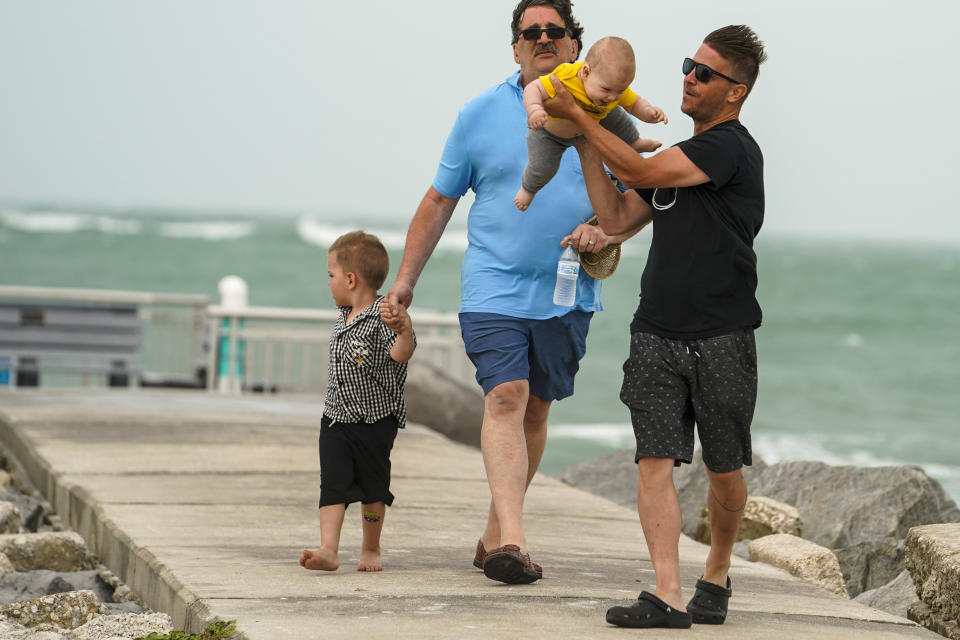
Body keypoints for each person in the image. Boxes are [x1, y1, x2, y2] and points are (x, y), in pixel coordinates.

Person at [385, 0, 636, 585]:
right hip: (492, 288)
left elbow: (632, 203)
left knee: (537, 408)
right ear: (515, 46)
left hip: (566, 293)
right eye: (531, 33)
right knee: (506, 395)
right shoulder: (480, 113)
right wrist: (404, 282)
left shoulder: (606, 115)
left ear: (577, 45)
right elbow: (439, 201)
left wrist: (606, 231)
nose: (543, 39)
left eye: (555, 31)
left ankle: (495, 535)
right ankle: (516, 544)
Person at [544, 25, 767, 628]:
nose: (689, 78)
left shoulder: (729, 149)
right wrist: (587, 133)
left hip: (722, 334)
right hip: (656, 332)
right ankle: (669, 592)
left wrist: (584, 115)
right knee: (654, 461)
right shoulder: (675, 163)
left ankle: (716, 572)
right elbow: (619, 213)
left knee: (724, 470)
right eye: (688, 65)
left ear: (735, 92)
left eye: (705, 73)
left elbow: (640, 174)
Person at [300, 231, 416, 573]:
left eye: (331, 276)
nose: (329, 283)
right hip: (335, 419)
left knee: (373, 489)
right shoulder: (345, 313)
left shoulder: (384, 316)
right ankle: (329, 549)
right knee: (332, 484)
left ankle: (371, 548)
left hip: (375, 422)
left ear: (351, 279)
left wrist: (405, 331)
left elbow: (400, 353)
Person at [514, 35, 667, 211]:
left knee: (616, 114)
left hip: (586, 125)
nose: (612, 96)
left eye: (620, 91)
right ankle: (529, 188)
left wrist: (649, 112)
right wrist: (535, 109)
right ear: (586, 72)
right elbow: (534, 88)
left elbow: (634, 103)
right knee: (543, 167)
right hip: (550, 133)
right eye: (606, 90)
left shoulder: (612, 88)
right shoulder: (565, 75)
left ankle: (634, 142)